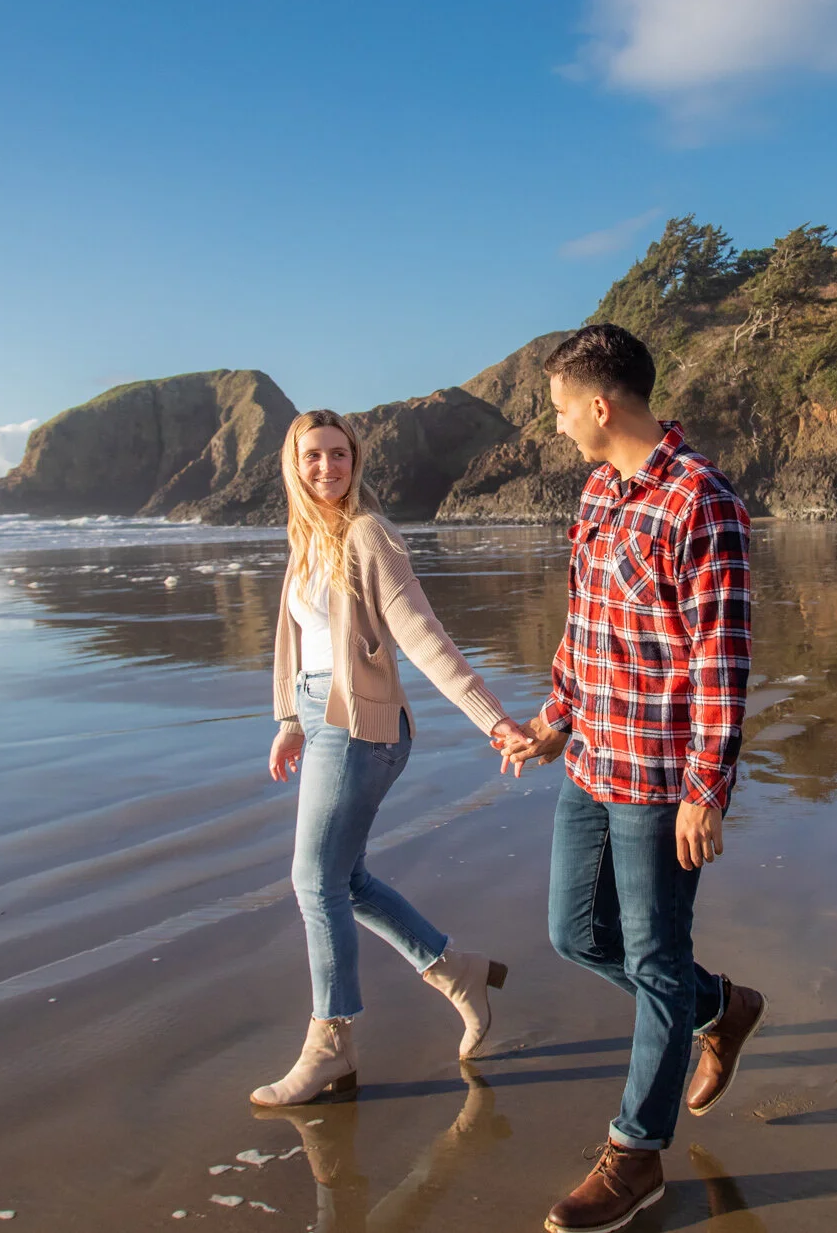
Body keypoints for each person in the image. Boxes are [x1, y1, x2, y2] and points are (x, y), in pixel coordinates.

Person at [500, 324, 766, 1233]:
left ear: (602, 405)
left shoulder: (703, 503)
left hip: (659, 777)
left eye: (562, 408)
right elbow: (586, 625)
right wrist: (551, 719)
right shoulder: (599, 489)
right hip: (591, 759)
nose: (560, 423)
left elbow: (721, 664)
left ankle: (635, 1153)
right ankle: (719, 1008)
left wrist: (705, 790)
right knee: (575, 933)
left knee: (654, 957)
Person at [252, 409, 530, 1107]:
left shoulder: (369, 535)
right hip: (320, 720)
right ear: (293, 463)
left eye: (339, 455)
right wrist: (288, 719)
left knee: (313, 879)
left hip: (364, 727)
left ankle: (331, 1043)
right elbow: (293, 641)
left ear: (356, 461)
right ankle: (457, 971)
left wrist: (492, 720)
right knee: (344, 881)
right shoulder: (306, 534)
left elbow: (424, 636)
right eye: (313, 456)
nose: (327, 468)